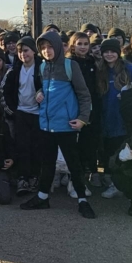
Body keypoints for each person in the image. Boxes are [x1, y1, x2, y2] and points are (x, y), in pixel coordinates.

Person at [20, 31, 96, 218]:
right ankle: (42, 196)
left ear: (58, 47)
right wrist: (39, 92)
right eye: (43, 47)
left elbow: (84, 95)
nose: (46, 51)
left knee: (73, 165)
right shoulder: (42, 67)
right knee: (47, 164)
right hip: (46, 125)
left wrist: (83, 119)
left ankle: (82, 200)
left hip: (66, 125)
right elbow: (43, 88)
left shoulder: (71, 66)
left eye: (50, 46)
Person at [95, 37, 132, 199]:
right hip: (105, 119)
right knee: (108, 153)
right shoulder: (99, 70)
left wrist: (128, 97)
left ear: (118, 53)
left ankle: (125, 183)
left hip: (124, 119)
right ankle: (112, 182)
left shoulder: (129, 70)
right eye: (106, 52)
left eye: (113, 51)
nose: (109, 54)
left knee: (123, 152)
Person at [4, 37, 42, 195]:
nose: (23, 54)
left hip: (38, 113)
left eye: (26, 50)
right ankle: (23, 177)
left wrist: (42, 93)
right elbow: (7, 91)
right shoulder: (14, 70)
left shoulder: (42, 68)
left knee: (37, 146)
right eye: (20, 51)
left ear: (33, 51)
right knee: (22, 146)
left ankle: (34, 176)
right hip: (21, 112)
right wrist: (13, 108)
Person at [66, 31, 100, 194]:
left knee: (87, 147)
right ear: (73, 45)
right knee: (75, 149)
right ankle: (74, 182)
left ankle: (82, 180)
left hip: (91, 108)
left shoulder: (92, 62)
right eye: (79, 44)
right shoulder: (69, 63)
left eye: (86, 44)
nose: (83, 47)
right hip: (75, 108)